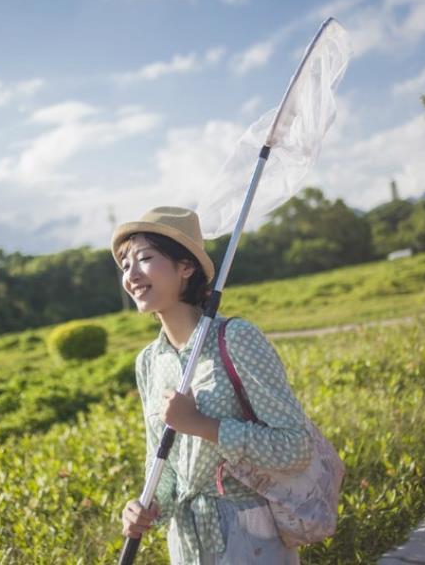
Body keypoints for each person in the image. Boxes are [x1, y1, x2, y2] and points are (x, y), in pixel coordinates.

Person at [113, 206, 312, 564]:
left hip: (249, 537)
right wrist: (149, 503)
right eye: (125, 265)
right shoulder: (148, 362)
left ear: (185, 267)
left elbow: (296, 446)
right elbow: (162, 461)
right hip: (186, 543)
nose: (131, 274)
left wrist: (203, 427)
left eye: (144, 258)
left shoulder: (235, 338)